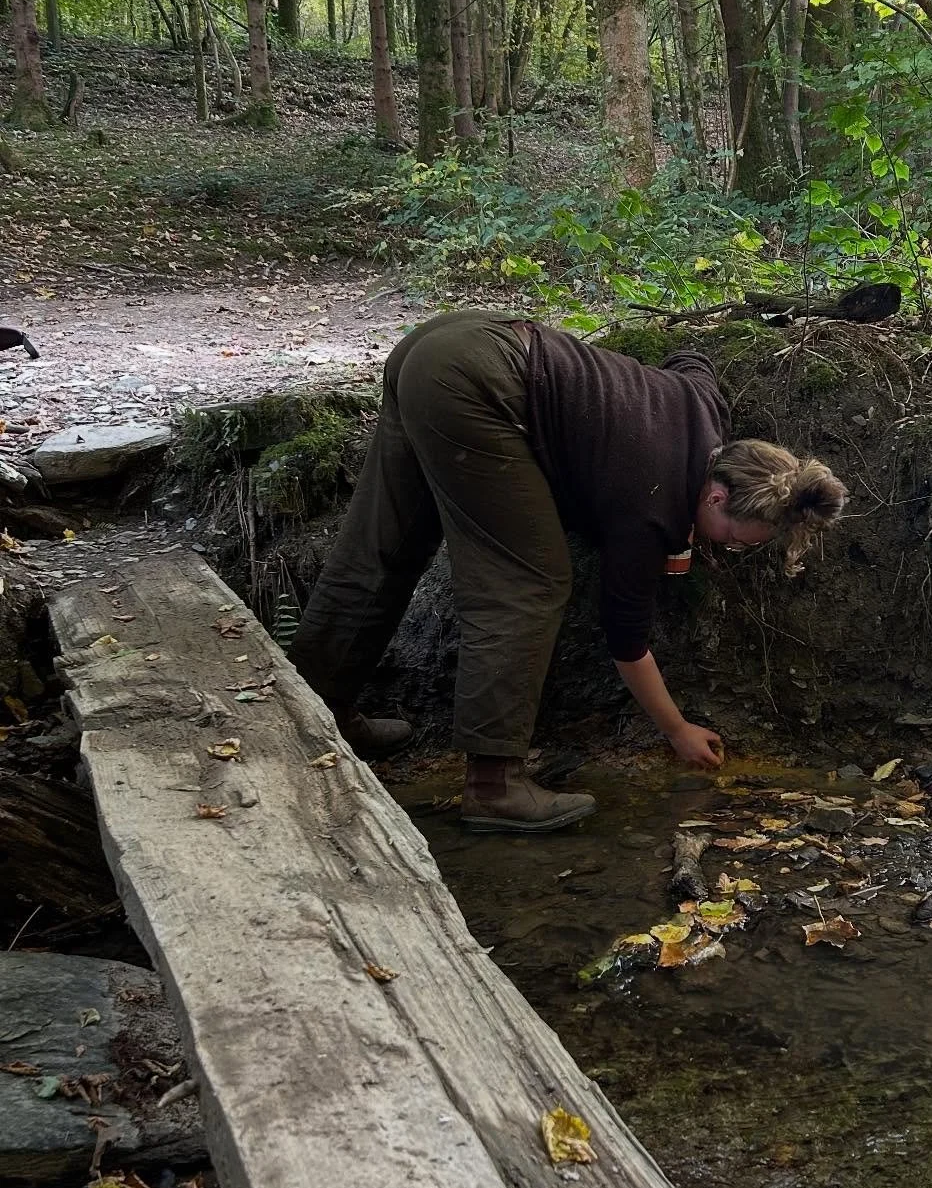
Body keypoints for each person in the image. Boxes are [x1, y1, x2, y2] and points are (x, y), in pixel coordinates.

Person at [287, 310, 847, 832]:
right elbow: (627, 641)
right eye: (731, 537)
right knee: (528, 582)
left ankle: (310, 710)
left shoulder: (707, 413)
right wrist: (677, 730)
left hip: (447, 342)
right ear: (718, 496)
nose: (726, 549)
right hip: (476, 381)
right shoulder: (649, 511)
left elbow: (691, 359)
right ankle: (494, 785)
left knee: (386, 543)